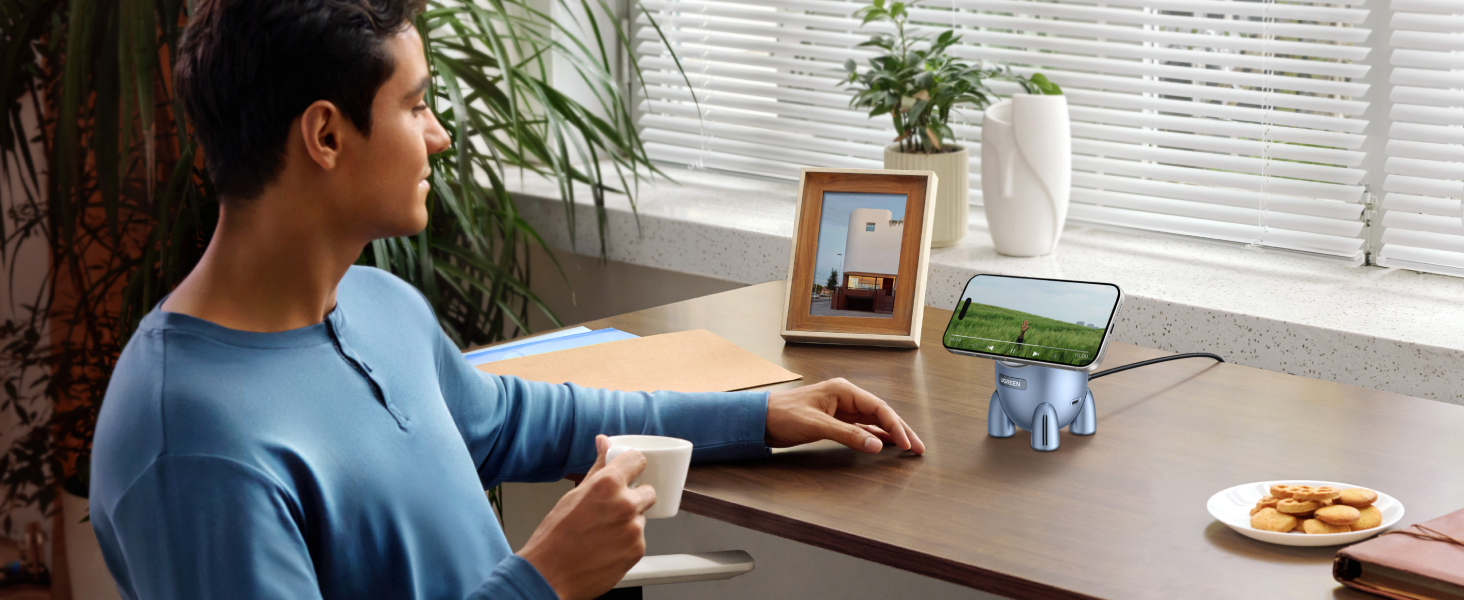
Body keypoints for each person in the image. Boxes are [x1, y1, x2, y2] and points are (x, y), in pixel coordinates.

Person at [87, 1, 925, 599]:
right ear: (327, 135)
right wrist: (544, 580)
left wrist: (760, 416)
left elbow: (519, 420)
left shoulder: (378, 305)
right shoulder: (192, 448)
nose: (440, 134)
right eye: (415, 106)